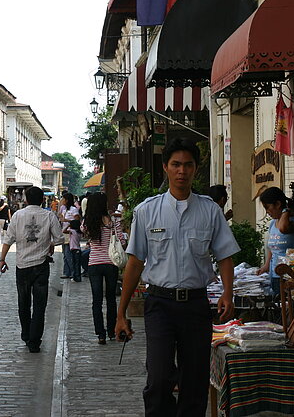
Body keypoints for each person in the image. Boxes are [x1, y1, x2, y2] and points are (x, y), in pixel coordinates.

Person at [115, 138, 240, 417]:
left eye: (188, 165)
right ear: (166, 168)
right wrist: (121, 312)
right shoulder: (147, 211)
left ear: (196, 169)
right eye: (176, 165)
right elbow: (135, 263)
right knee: (158, 379)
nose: (182, 171)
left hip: (196, 307)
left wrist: (228, 293)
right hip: (159, 305)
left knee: (194, 382)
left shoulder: (210, 211)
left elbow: (225, 256)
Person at [0, 186, 63, 353]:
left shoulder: (18, 216)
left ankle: (26, 335)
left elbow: (8, 239)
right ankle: (35, 341)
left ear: (26, 200)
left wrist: (2, 259)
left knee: (24, 303)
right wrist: (50, 244)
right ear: (42, 199)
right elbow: (59, 238)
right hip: (41, 266)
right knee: (40, 305)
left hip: (22, 266)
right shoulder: (49, 215)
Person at [84, 192, 127, 344]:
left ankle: (100, 334)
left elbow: (87, 237)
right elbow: (121, 240)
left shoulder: (88, 221)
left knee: (96, 300)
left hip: (94, 263)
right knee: (110, 299)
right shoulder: (112, 220)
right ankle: (111, 331)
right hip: (111, 263)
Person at [257, 187, 294, 295]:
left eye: (267, 207)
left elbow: (283, 228)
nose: (267, 212)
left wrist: (286, 210)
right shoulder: (273, 223)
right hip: (275, 275)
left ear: (278, 204)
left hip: (291, 276)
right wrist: (266, 265)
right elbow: (272, 248)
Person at [59, 193, 79, 279]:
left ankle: (72, 272)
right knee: (65, 254)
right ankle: (66, 272)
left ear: (67, 200)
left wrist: (66, 220)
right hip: (64, 233)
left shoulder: (73, 209)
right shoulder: (64, 210)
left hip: (71, 234)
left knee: (68, 254)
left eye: (63, 199)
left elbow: (77, 221)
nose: (62, 200)